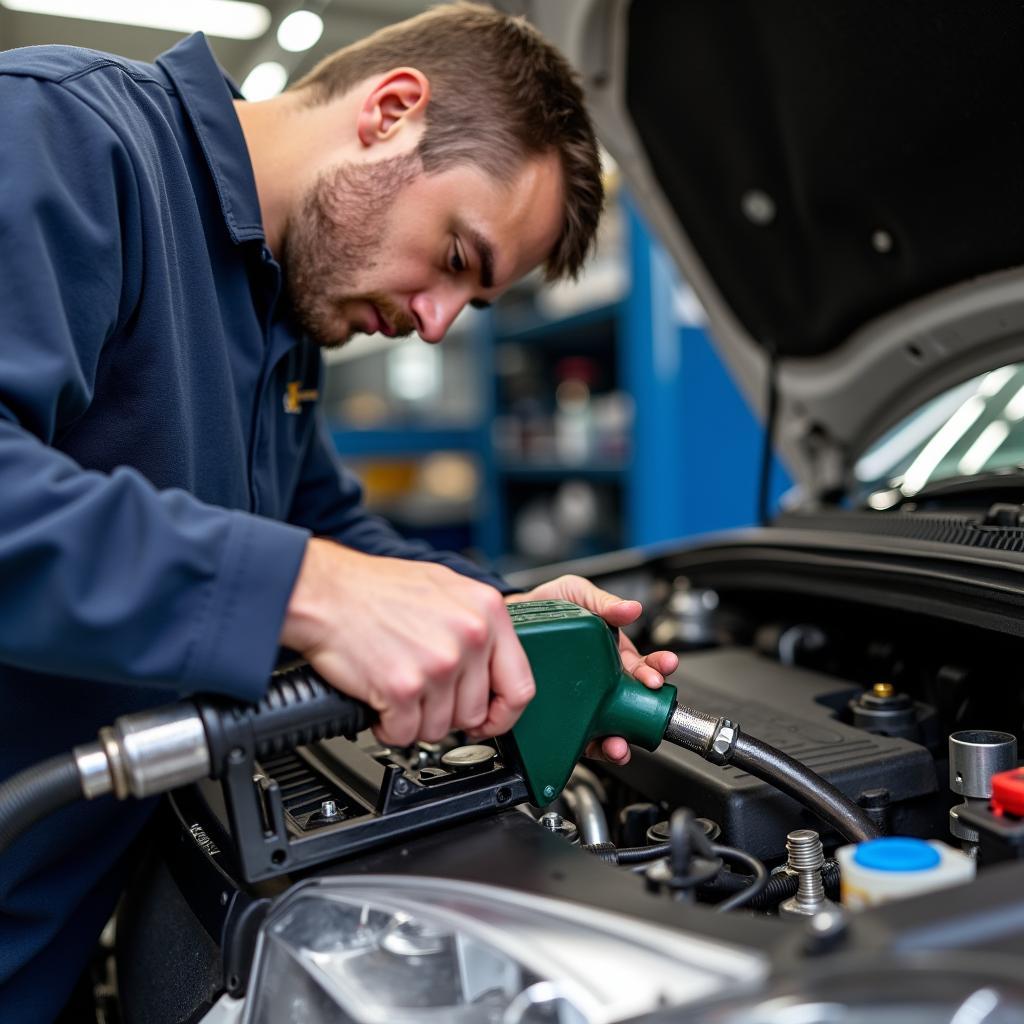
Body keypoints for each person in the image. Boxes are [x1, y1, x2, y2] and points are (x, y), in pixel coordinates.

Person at [0, 3, 677, 1019]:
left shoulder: (278, 308)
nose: (438, 325)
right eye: (457, 256)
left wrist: (510, 620)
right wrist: (309, 592)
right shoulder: (65, 137)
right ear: (391, 112)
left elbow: (331, 530)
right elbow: (317, 572)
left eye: (474, 305)